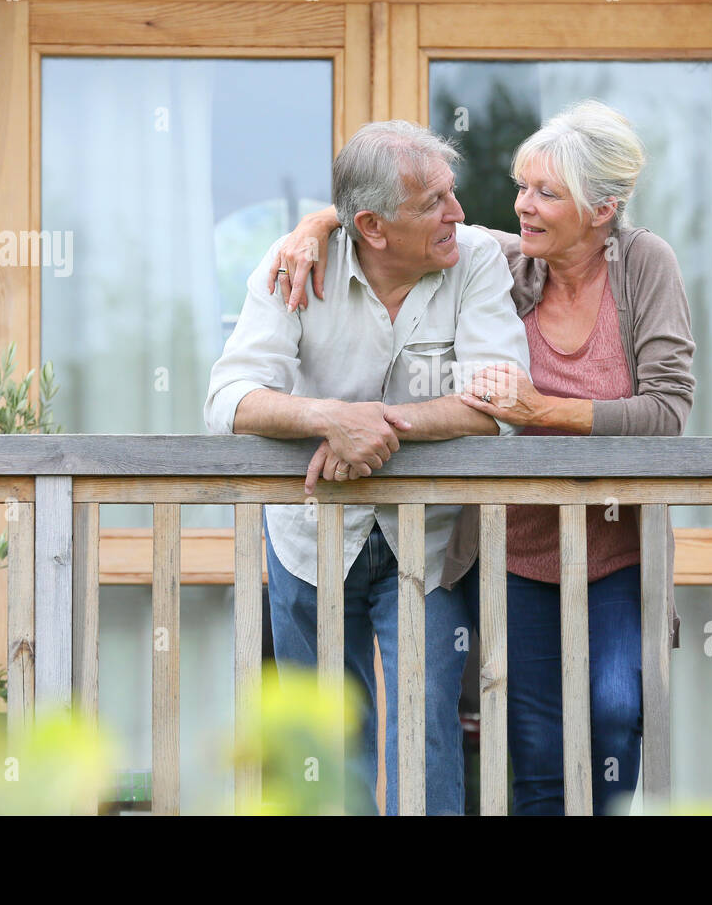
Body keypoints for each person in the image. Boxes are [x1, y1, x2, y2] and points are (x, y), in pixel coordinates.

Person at [268, 100, 696, 815]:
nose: (522, 206)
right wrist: (314, 225)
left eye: (545, 193)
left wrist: (541, 413)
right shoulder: (507, 258)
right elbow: (389, 215)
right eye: (521, 186)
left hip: (618, 551)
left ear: (601, 211)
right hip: (514, 554)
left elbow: (667, 411)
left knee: (615, 719)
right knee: (532, 751)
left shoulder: (645, 265)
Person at [204, 120, 531, 815]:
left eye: (452, 193)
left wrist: (375, 430)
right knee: (325, 743)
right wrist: (327, 417)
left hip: (430, 542)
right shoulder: (293, 263)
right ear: (372, 228)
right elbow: (228, 399)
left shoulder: (473, 258)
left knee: (427, 734)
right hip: (305, 538)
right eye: (433, 204)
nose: (458, 214)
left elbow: (500, 400)